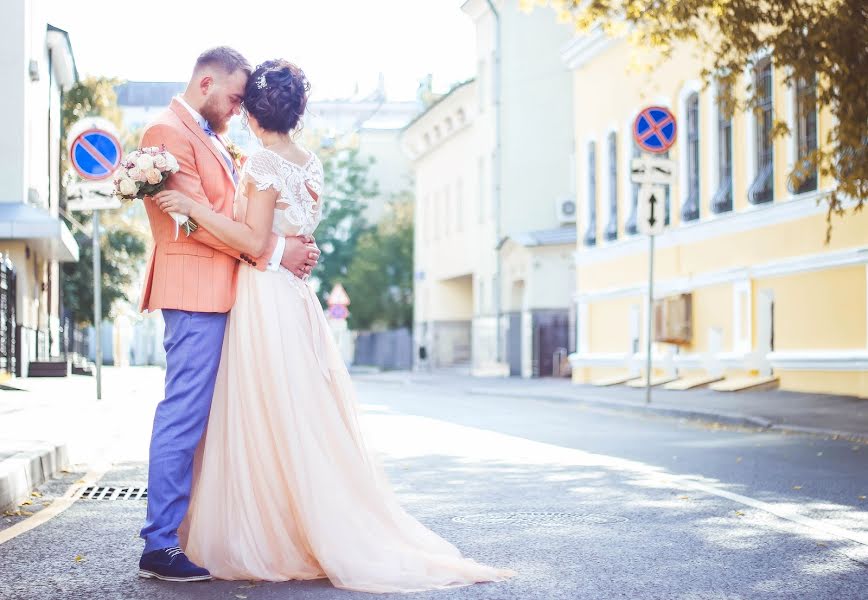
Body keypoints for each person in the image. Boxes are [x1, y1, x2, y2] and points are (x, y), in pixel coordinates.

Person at [154, 58, 515, 593]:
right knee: (300, 414)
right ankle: (311, 522)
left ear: (252, 112)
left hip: (263, 296)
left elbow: (253, 241)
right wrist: (291, 247)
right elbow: (289, 229)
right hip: (296, 299)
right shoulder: (310, 162)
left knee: (263, 414)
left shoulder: (259, 164)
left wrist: (188, 204)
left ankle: (273, 531)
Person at [136, 47, 320, 582]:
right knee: (185, 414)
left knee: (226, 424)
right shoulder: (165, 133)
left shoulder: (212, 136)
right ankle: (159, 544)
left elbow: (236, 212)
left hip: (231, 293)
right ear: (207, 82)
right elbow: (199, 220)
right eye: (235, 98)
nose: (239, 109)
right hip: (196, 292)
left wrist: (276, 240)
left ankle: (199, 534)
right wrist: (275, 251)